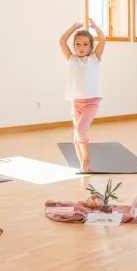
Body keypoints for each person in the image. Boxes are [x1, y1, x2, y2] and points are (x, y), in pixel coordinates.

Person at [59, 18, 106, 172]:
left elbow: (103, 39)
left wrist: (95, 27)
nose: (81, 47)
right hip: (76, 102)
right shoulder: (71, 59)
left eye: (85, 44)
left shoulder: (94, 58)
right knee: (76, 135)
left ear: (91, 46)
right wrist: (73, 27)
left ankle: (86, 161)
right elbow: (62, 41)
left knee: (80, 131)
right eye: (78, 44)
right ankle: (82, 165)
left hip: (91, 102)